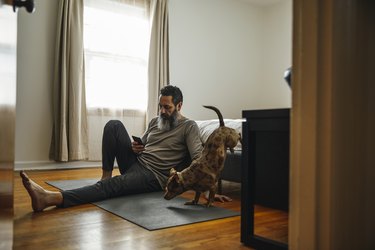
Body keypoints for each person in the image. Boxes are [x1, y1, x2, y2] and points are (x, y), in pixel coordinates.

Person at [21, 85, 231, 212]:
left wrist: (204, 191)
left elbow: (197, 159)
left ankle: (50, 198)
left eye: (167, 107)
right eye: (161, 106)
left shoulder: (189, 127)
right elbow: (144, 144)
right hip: (137, 162)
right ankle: (105, 176)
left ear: (179, 106)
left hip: (154, 176)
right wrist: (137, 147)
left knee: (113, 188)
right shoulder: (156, 121)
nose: (163, 111)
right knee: (113, 125)